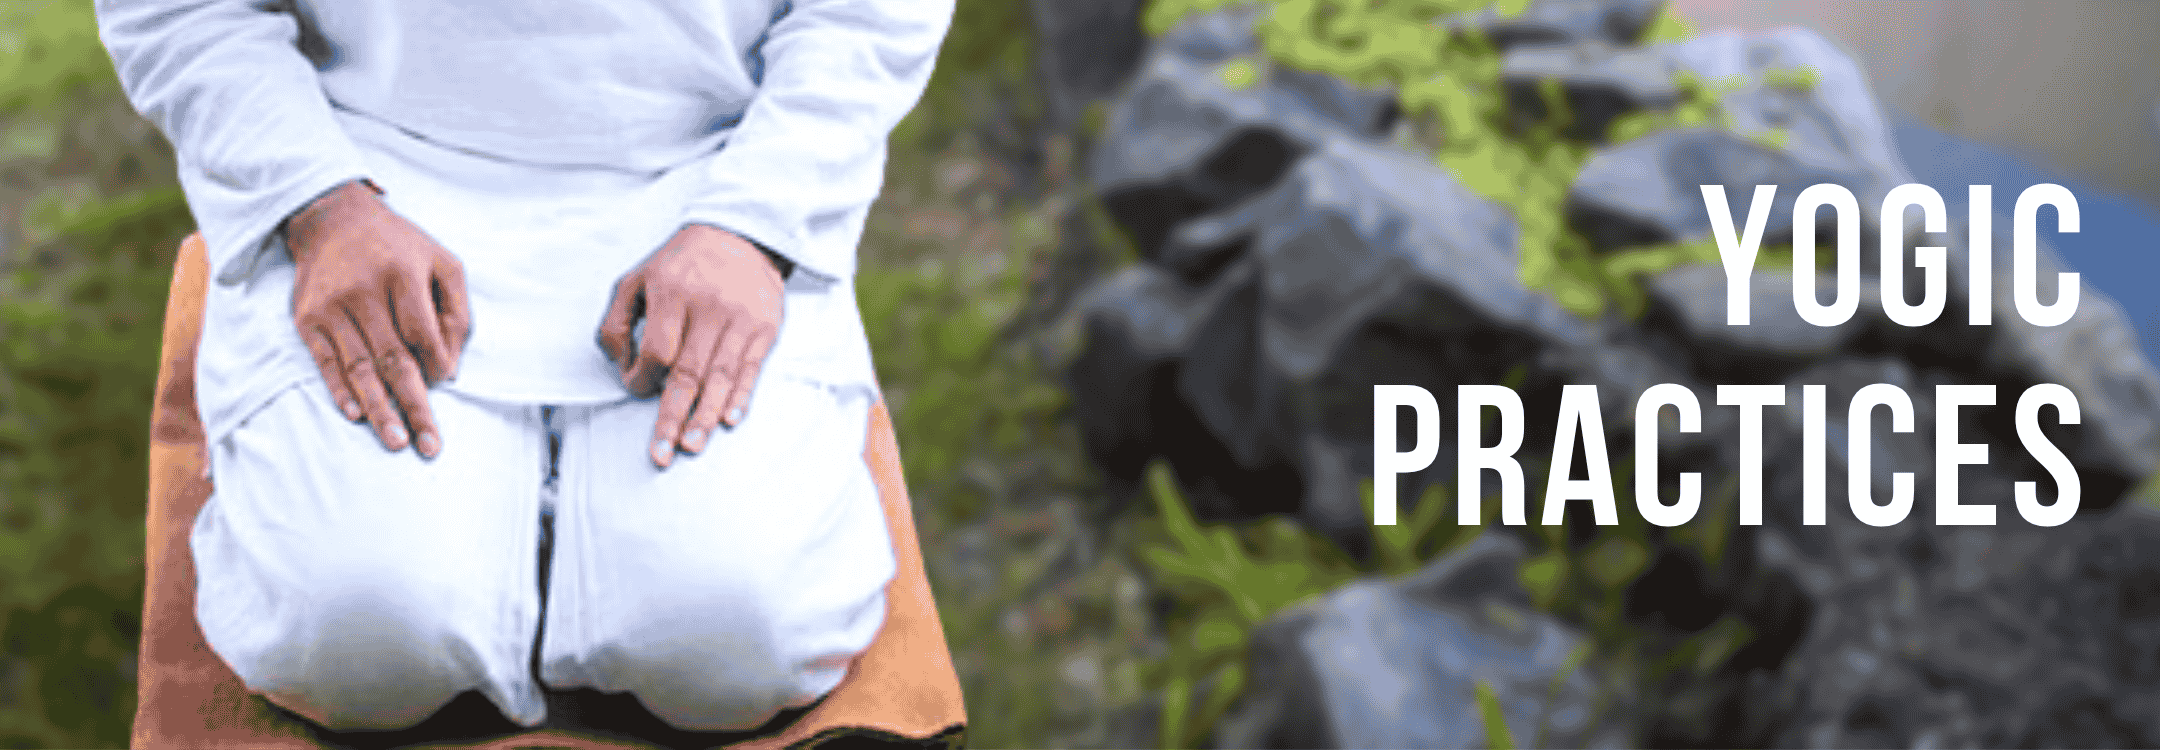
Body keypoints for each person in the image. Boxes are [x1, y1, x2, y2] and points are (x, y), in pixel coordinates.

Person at [95, 0, 954, 734]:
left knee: (732, 636)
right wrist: (314, 202)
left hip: (711, 176)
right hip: (371, 183)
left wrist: (759, 222)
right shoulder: (338, 201)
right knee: (357, 634)